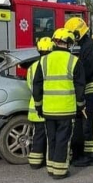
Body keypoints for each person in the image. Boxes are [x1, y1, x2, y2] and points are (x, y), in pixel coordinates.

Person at [32, 28, 86, 179]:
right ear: (69, 44)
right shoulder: (74, 61)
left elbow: (37, 86)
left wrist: (38, 105)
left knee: (51, 138)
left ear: (55, 41)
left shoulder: (43, 61)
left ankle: (51, 168)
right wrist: (81, 105)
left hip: (48, 109)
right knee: (63, 139)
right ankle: (60, 170)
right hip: (66, 109)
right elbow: (80, 87)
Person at [65, 17, 93, 167]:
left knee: (92, 123)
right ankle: (89, 154)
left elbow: (86, 72)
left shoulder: (90, 47)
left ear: (77, 34)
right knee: (89, 123)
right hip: (92, 91)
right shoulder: (87, 46)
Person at [27, 37, 53, 170]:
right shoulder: (51, 64)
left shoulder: (32, 67)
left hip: (35, 108)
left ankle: (35, 162)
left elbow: (31, 87)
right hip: (48, 107)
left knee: (37, 135)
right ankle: (51, 161)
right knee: (51, 137)